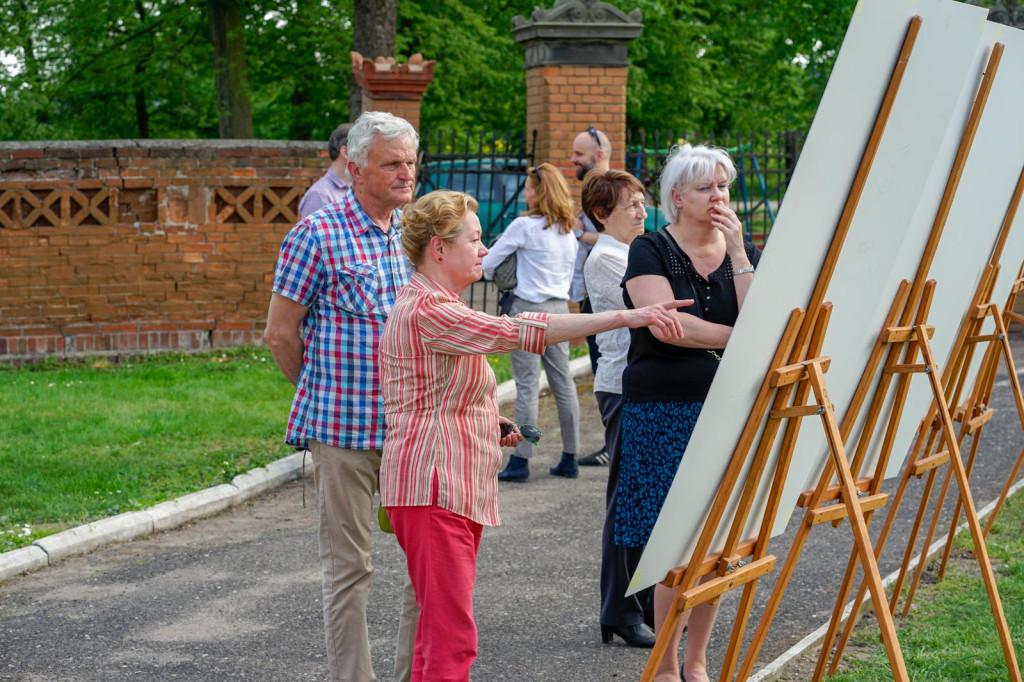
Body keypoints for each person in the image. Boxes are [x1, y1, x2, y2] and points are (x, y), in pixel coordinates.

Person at [378, 189, 690, 681]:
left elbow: (433, 392)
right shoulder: (430, 310)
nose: (485, 250)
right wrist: (626, 316)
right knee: (452, 639)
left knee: (438, 633)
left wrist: (492, 424)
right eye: (475, 240)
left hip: (446, 485)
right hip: (434, 488)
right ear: (438, 249)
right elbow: (521, 330)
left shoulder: (435, 303)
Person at [264, 111, 420, 682]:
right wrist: (323, 391)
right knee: (350, 568)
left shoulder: (416, 235)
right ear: (355, 168)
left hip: (412, 431)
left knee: (427, 568)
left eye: (410, 162)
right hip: (344, 433)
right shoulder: (316, 235)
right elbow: (281, 334)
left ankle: (413, 674)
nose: (406, 174)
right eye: (391, 164)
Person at [616, 144, 760, 682]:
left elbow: (760, 313)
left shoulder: (737, 252)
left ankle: (698, 662)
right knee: (671, 542)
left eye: (723, 185)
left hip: (725, 409)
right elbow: (663, 326)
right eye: (706, 187)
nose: (718, 196)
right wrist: (742, 341)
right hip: (662, 409)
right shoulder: (650, 249)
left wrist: (742, 252)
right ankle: (665, 665)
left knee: (717, 544)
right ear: (676, 197)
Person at [580, 169, 657, 648]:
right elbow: (656, 309)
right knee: (627, 499)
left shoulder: (634, 252)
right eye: (631, 204)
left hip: (648, 384)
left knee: (649, 499)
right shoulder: (607, 258)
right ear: (602, 214)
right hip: (623, 386)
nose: (642, 211)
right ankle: (619, 609)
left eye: (643, 201)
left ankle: (648, 602)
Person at [481, 163, 581, 482]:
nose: (525, 193)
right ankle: (570, 455)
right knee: (563, 382)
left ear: (541, 193)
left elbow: (488, 264)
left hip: (528, 311)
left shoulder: (523, 227)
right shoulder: (568, 230)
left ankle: (523, 458)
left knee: (527, 386)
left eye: (528, 188)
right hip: (559, 310)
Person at [570, 126, 614, 467]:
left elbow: (619, 240)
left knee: (607, 368)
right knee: (602, 368)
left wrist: (579, 233)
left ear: (599, 156)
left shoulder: (609, 191)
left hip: (606, 296)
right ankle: (612, 441)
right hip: (590, 295)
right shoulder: (595, 189)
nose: (573, 160)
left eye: (579, 155)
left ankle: (614, 444)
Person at [298, 122, 353, 219]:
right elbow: (311, 234)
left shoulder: (359, 188)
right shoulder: (319, 196)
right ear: (346, 152)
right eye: (362, 149)